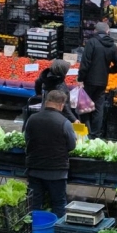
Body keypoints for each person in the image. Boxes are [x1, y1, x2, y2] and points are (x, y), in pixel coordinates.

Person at [24, 90, 76, 218]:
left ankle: (33, 231)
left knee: (34, 204)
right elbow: (72, 146)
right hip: (56, 171)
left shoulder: (32, 119)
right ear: (61, 105)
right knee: (58, 204)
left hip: (35, 168)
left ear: (46, 102)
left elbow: (27, 139)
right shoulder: (65, 123)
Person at [77, 22, 117, 138]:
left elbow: (85, 63)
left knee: (85, 106)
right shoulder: (112, 46)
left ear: (95, 31)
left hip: (89, 81)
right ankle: (95, 134)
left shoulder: (92, 42)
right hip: (103, 81)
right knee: (98, 107)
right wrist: (109, 71)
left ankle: (86, 132)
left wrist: (80, 78)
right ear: (108, 32)